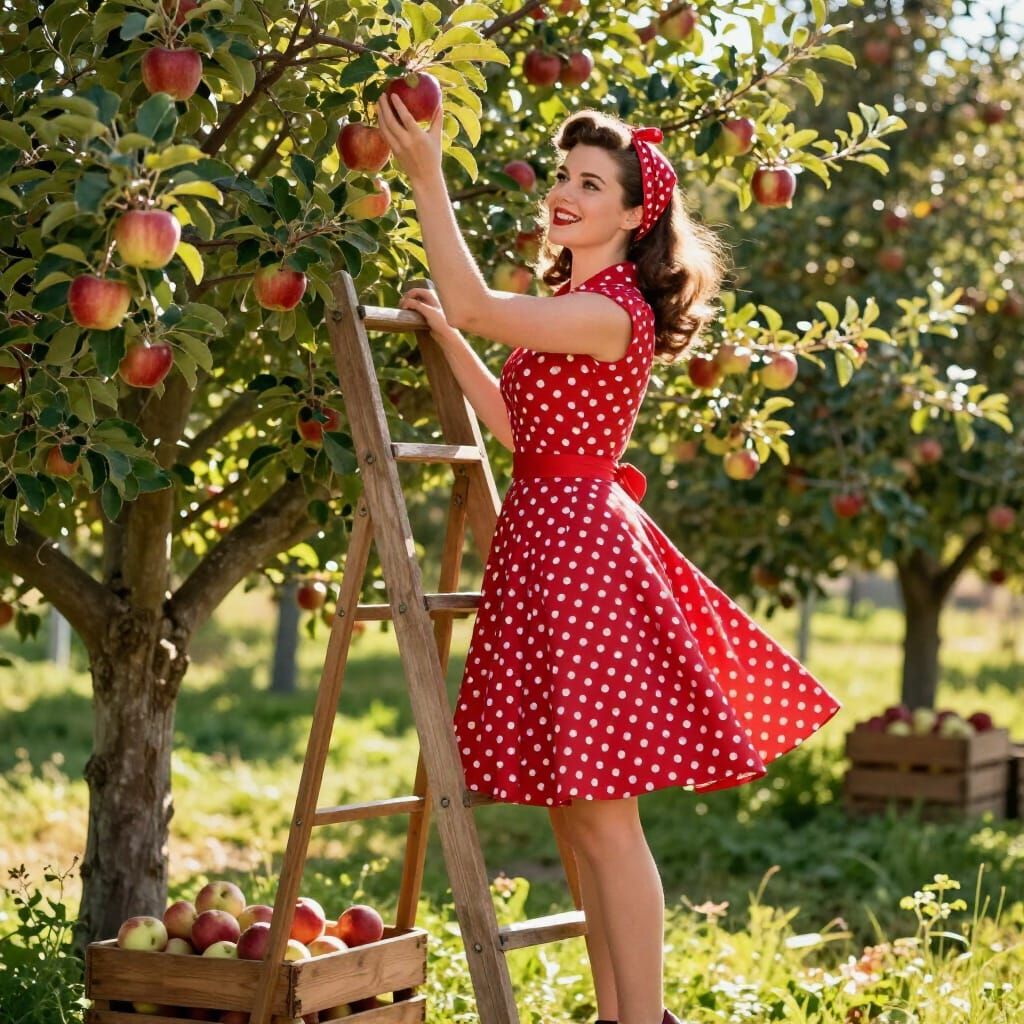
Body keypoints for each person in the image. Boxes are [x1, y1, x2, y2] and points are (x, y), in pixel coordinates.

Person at [376, 94, 842, 1024]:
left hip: (581, 553)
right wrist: (457, 342)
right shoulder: (571, 306)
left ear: (635, 216)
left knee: (604, 817)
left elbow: (472, 295)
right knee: (584, 815)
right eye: (562, 176)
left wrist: (426, 174)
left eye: (591, 184)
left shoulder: (611, 309)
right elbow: (519, 430)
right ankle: (621, 1018)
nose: (564, 193)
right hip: (549, 541)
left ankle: (643, 1021)